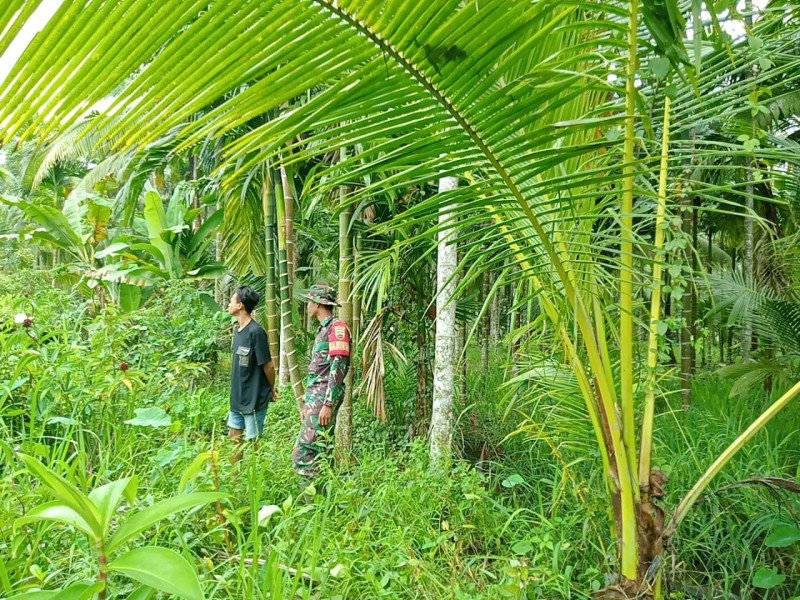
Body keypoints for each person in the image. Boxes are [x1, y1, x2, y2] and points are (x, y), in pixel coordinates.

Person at [292, 284, 351, 488]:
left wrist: (328, 403)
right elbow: (318, 371)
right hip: (317, 399)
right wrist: (307, 404)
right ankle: (325, 498)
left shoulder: (337, 329)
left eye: (309, 301)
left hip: (324, 398)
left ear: (317, 304)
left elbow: (338, 366)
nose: (307, 305)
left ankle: (311, 500)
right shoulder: (323, 329)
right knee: (321, 449)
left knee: (303, 453)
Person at [227, 285, 275, 461]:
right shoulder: (238, 331)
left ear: (240, 305)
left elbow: (268, 365)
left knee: (253, 442)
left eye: (232, 301)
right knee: (234, 439)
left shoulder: (256, 332)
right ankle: (235, 474)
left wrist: (271, 388)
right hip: (237, 397)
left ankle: (255, 474)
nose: (229, 304)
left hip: (254, 398)